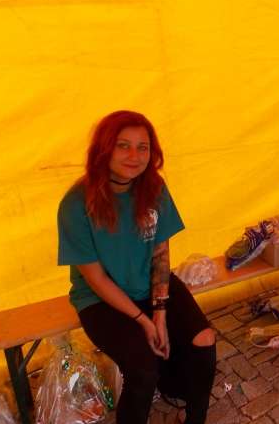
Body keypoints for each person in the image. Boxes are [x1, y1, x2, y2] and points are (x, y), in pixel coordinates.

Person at [57, 110, 216, 424]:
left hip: (150, 284)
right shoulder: (76, 204)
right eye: (123, 145)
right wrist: (145, 322)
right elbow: (96, 279)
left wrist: (160, 313)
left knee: (204, 340)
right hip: (101, 300)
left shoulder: (154, 188)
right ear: (104, 149)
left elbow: (160, 255)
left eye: (143, 147)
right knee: (143, 369)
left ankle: (195, 417)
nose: (134, 156)